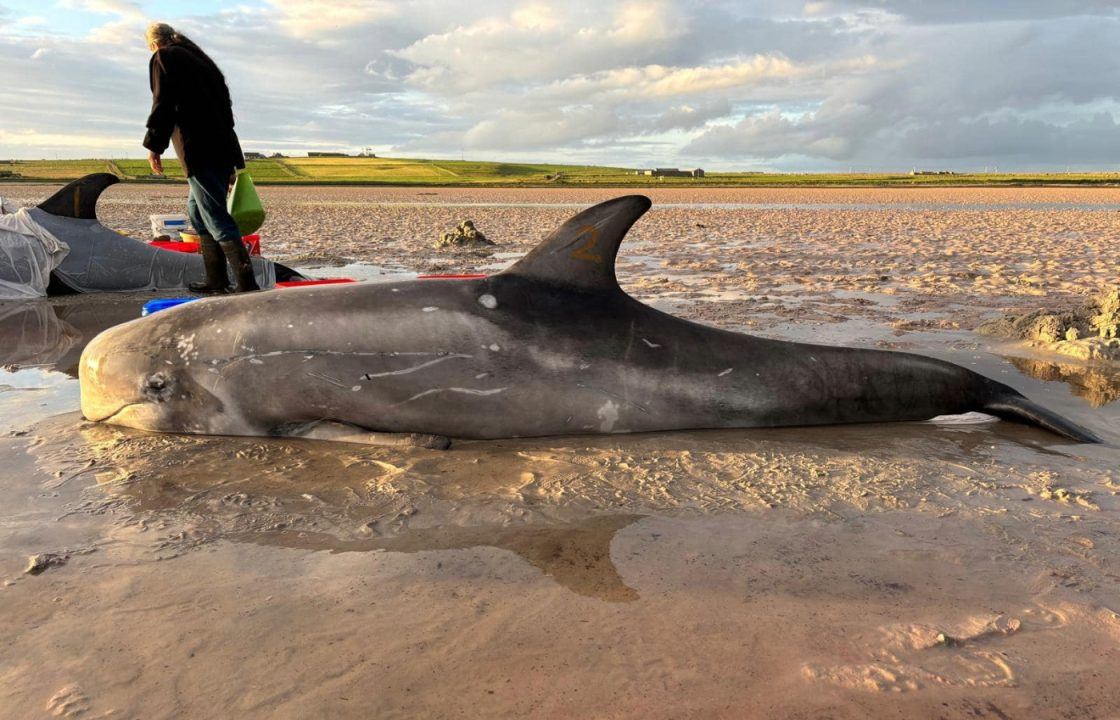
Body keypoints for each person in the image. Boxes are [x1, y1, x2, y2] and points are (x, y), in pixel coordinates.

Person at [142, 22, 258, 293]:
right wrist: (233, 161)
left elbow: (163, 104)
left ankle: (246, 284)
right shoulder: (203, 63)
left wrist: (154, 145)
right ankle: (216, 280)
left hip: (198, 148)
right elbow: (226, 115)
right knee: (197, 211)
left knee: (215, 215)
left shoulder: (164, 57)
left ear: (154, 44)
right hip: (220, 146)